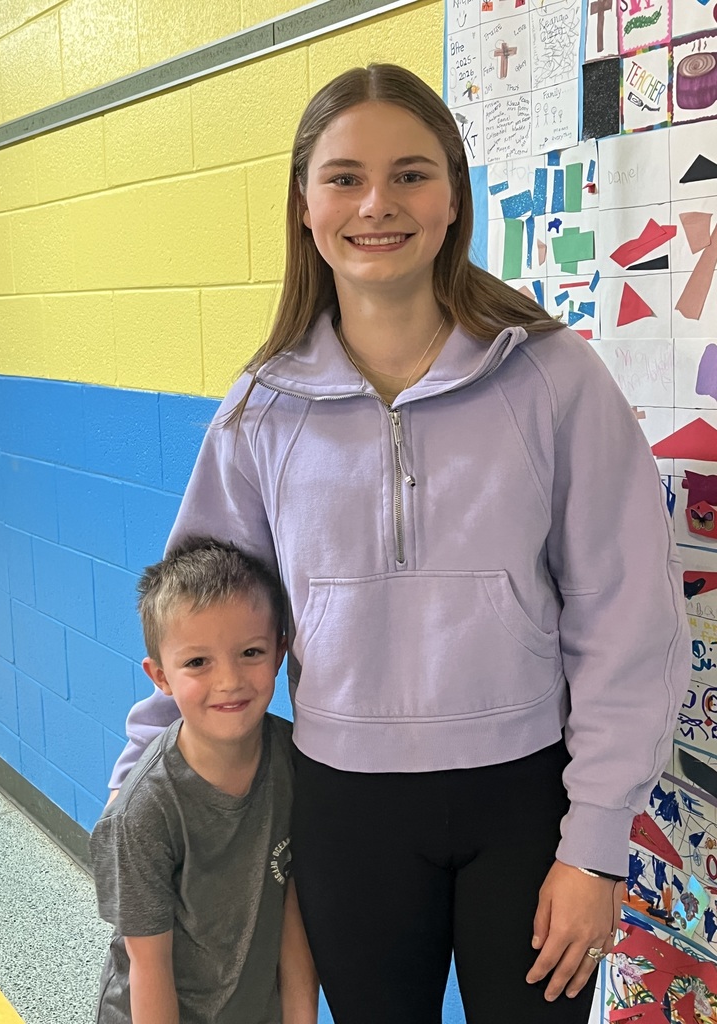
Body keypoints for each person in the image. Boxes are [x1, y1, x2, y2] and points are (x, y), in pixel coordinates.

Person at [108, 64, 691, 1023]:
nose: (377, 204)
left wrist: (594, 842)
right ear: (304, 205)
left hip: (529, 801)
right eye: (344, 178)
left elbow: (627, 617)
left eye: (411, 174)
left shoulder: (554, 378)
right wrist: (140, 791)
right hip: (347, 812)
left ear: (454, 196)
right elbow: (197, 621)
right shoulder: (261, 412)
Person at [92, 538, 318, 1024]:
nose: (229, 680)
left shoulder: (294, 759)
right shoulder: (142, 814)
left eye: (250, 652)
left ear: (280, 652)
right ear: (161, 676)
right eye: (198, 661)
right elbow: (147, 969)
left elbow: (292, 916)